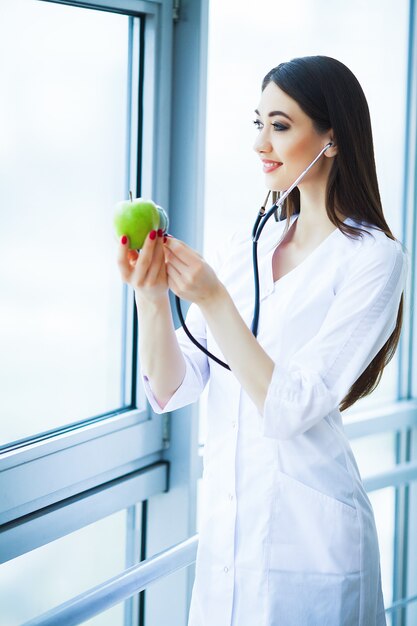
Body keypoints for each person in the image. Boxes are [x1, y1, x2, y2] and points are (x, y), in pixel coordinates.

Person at [116, 55, 408, 626]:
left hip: (314, 546)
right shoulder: (246, 244)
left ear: (332, 139)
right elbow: (176, 386)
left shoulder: (375, 259)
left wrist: (214, 301)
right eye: (259, 122)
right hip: (229, 539)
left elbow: (292, 405)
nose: (260, 143)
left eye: (280, 124)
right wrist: (150, 297)